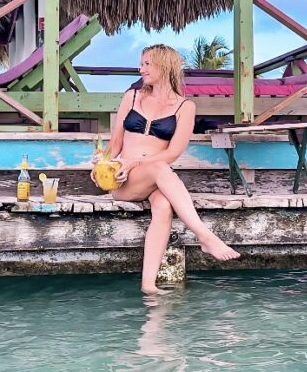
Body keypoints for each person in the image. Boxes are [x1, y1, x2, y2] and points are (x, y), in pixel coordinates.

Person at [98, 44, 240, 295]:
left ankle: (149, 286)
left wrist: (138, 162)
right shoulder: (131, 97)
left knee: (163, 205)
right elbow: (116, 142)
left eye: (147, 64)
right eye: (141, 64)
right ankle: (205, 236)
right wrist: (102, 164)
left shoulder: (185, 107)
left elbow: (173, 152)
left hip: (153, 177)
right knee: (160, 168)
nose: (141, 69)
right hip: (124, 180)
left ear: (165, 66)